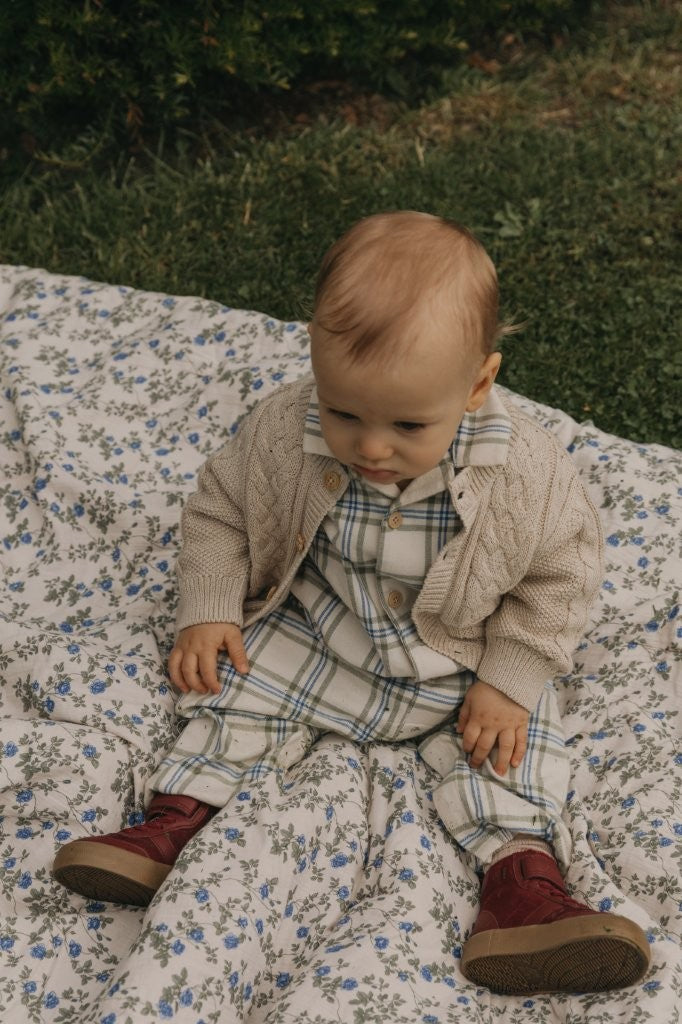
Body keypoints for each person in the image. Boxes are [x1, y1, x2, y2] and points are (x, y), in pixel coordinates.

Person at [53, 211, 650, 994]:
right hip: (324, 628)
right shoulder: (283, 430)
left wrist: (509, 677)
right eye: (345, 414)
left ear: (477, 384)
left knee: (515, 750)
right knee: (233, 690)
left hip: (459, 657)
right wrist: (211, 606)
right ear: (314, 361)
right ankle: (170, 825)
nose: (370, 448)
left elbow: (562, 577)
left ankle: (524, 890)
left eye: (407, 424)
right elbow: (220, 508)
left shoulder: (527, 477)